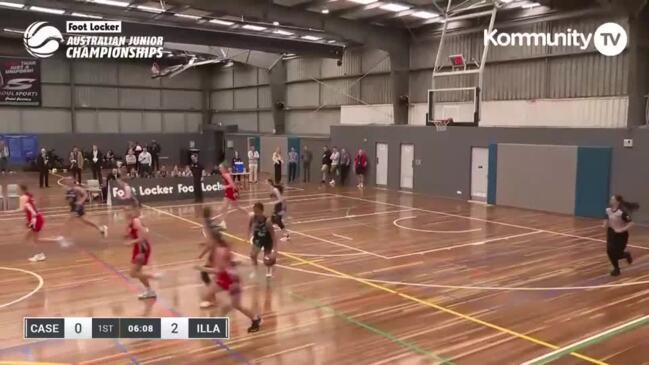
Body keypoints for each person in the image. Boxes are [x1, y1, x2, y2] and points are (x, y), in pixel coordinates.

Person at [196, 207, 262, 332]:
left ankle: (255, 319)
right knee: (210, 297)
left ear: (214, 240)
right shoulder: (219, 249)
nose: (207, 242)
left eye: (209, 240)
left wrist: (202, 268)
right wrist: (238, 263)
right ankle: (218, 324)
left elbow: (220, 270)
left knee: (234, 305)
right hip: (225, 277)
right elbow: (229, 264)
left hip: (231, 280)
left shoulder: (220, 251)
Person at [15, 184, 60, 262]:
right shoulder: (30, 196)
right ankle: (53, 242)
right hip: (36, 218)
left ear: (21, 189)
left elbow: (21, 209)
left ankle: (41, 253)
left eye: (17, 189)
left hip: (35, 219)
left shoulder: (23, 197)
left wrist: (8, 211)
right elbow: (31, 208)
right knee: (27, 238)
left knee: (35, 240)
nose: (17, 190)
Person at [124, 206, 158, 299]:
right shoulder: (130, 223)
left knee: (133, 273)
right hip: (137, 248)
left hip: (142, 248)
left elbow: (144, 236)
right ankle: (150, 291)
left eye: (129, 210)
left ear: (133, 211)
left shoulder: (136, 221)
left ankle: (153, 276)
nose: (127, 213)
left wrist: (131, 242)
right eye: (125, 211)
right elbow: (128, 235)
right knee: (138, 272)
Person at [60, 177, 107, 244]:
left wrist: (80, 201)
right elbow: (68, 199)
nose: (67, 182)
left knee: (69, 221)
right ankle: (101, 228)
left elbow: (85, 194)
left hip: (78, 207)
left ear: (72, 181)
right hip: (73, 207)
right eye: (67, 181)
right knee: (84, 221)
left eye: (69, 180)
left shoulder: (77, 189)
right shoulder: (68, 189)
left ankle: (67, 238)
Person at [604, 195, 639, 276]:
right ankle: (616, 269)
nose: (610, 200)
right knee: (609, 251)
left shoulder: (622, 212)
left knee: (617, 253)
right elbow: (606, 220)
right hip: (611, 233)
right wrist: (605, 224)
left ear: (617, 201)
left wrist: (621, 229)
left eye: (612, 199)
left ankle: (626, 255)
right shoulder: (608, 210)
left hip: (621, 236)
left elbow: (631, 223)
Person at [248, 202, 278, 279]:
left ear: (262, 211)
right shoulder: (252, 217)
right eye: (254, 211)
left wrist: (275, 249)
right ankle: (255, 271)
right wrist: (248, 235)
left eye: (257, 211)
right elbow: (249, 226)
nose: (256, 213)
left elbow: (273, 236)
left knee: (267, 260)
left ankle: (269, 270)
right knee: (253, 255)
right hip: (258, 238)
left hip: (267, 240)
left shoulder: (267, 221)